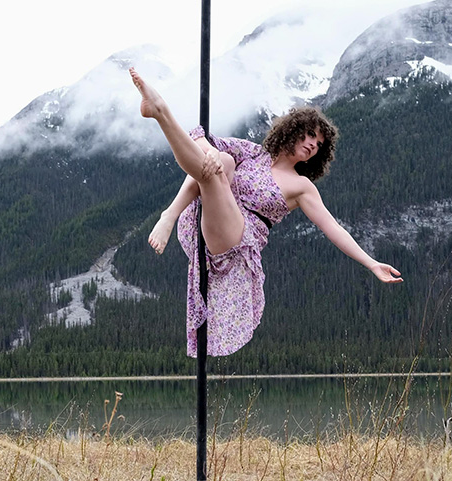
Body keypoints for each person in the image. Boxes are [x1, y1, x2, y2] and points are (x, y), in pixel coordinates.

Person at [130, 68, 402, 357]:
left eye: (318, 144)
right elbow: (200, 137)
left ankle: (160, 111)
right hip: (202, 217)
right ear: (294, 130)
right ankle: (169, 214)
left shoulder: (302, 186)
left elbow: (333, 227)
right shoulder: (254, 153)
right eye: (310, 135)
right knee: (219, 158)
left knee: (215, 169)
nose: (312, 144)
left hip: (237, 242)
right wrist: (208, 152)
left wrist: (371, 263)